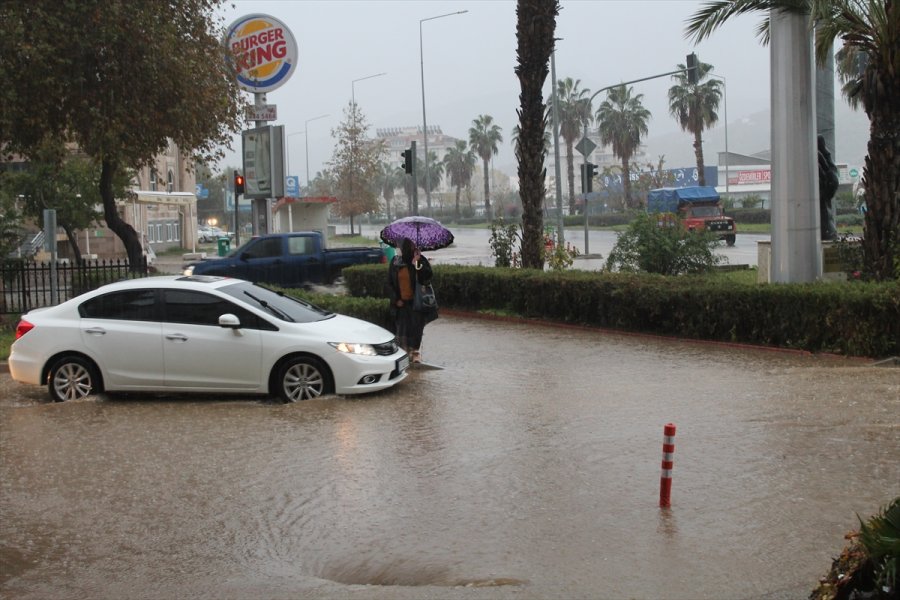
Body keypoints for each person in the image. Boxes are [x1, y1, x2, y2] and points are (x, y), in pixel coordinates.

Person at [387, 238, 433, 363]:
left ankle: (415, 352)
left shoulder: (419, 260)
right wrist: (396, 300)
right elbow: (390, 283)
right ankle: (403, 353)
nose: (413, 247)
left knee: (416, 328)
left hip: (416, 302)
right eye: (410, 244)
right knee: (402, 329)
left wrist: (417, 263)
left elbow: (426, 277)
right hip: (401, 303)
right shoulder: (395, 262)